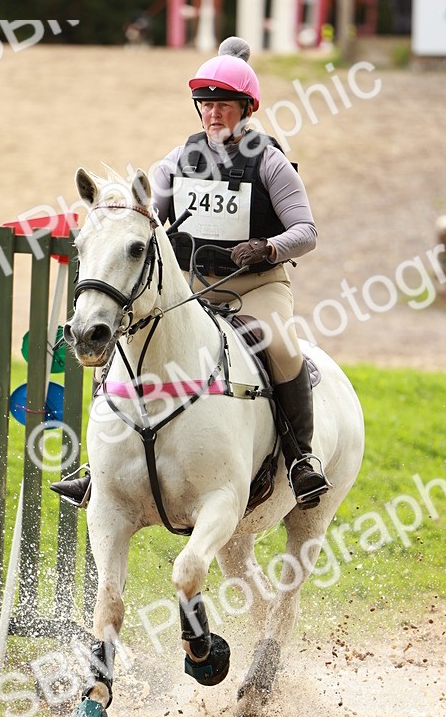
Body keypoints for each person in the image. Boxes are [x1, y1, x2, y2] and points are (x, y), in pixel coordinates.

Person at [53, 37, 330, 511]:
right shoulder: (179, 160)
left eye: (223, 105)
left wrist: (267, 247)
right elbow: (147, 214)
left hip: (256, 286)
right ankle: (99, 470)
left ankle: (301, 458)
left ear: (246, 108)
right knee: (126, 342)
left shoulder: (269, 161)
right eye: (205, 105)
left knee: (282, 347)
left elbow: (307, 231)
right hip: (190, 287)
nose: (213, 114)